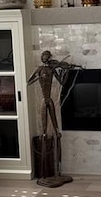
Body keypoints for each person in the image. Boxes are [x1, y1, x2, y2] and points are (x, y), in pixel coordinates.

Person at [27, 50, 82, 186]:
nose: (46, 58)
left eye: (47, 57)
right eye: (44, 57)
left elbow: (62, 82)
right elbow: (28, 82)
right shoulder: (39, 69)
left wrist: (66, 71)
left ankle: (58, 171)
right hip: (43, 101)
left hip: (50, 101)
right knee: (44, 132)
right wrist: (38, 77)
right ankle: (44, 174)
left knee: (56, 130)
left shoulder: (53, 69)